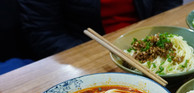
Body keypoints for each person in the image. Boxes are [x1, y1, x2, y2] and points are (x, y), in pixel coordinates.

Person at [18, 0, 183, 60]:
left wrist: (153, 39)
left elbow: (168, 4)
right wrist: (98, 56)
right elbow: (43, 32)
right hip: (88, 53)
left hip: (147, 42)